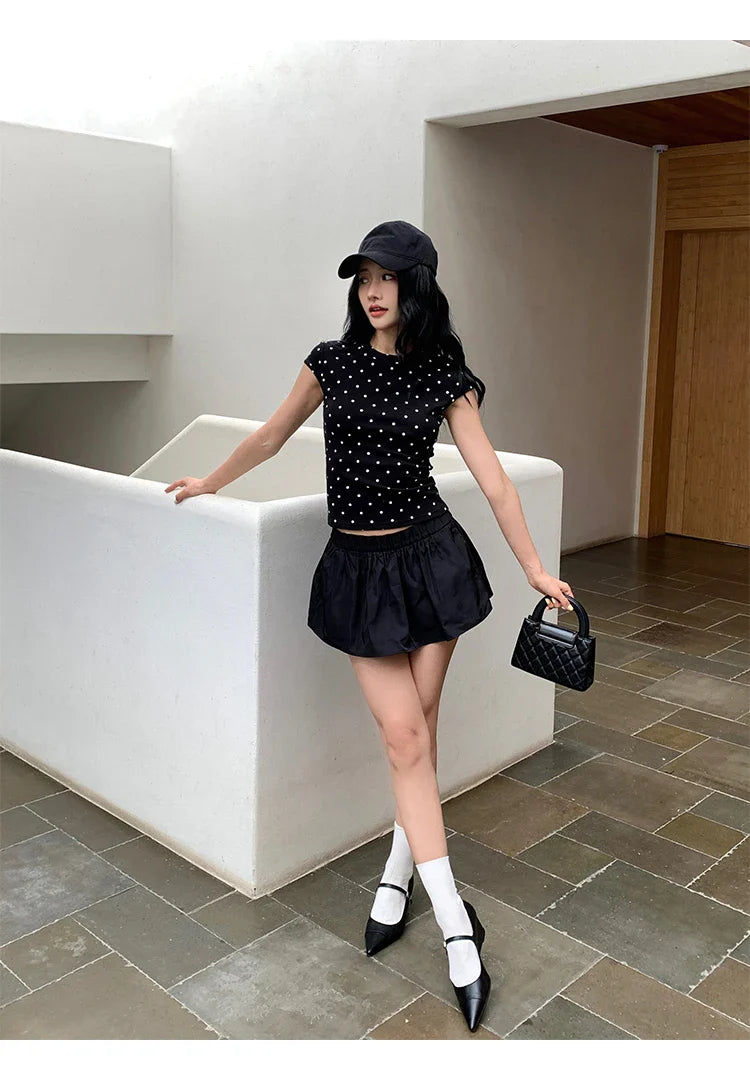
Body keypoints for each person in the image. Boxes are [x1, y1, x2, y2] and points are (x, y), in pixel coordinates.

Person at [165, 220, 575, 1033]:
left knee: (416, 732)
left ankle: (397, 873)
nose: (372, 291)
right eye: (363, 278)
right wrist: (211, 480)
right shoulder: (331, 361)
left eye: (387, 277)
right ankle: (457, 926)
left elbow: (494, 481)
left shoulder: (446, 376)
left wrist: (533, 566)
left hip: (432, 562)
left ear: (416, 286)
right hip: (359, 573)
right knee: (406, 738)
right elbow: (272, 434)